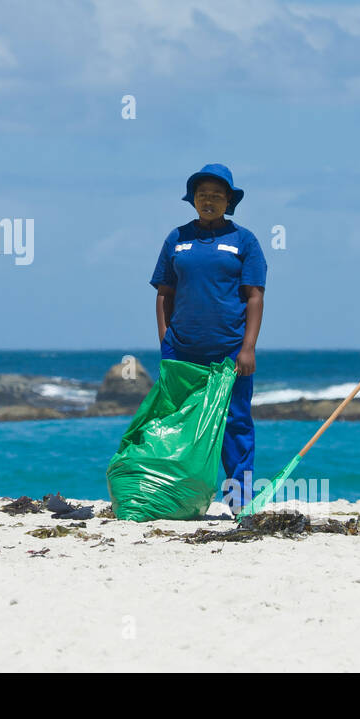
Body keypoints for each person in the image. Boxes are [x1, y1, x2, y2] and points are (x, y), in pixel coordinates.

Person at [150, 164, 266, 515]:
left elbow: (255, 296)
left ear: (229, 200)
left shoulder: (244, 241)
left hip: (229, 351)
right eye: (203, 195)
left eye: (217, 195)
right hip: (182, 350)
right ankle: (178, 498)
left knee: (236, 424)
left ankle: (239, 502)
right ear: (193, 200)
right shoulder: (177, 238)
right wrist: (164, 341)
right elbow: (163, 294)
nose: (209, 201)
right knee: (178, 425)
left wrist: (247, 348)